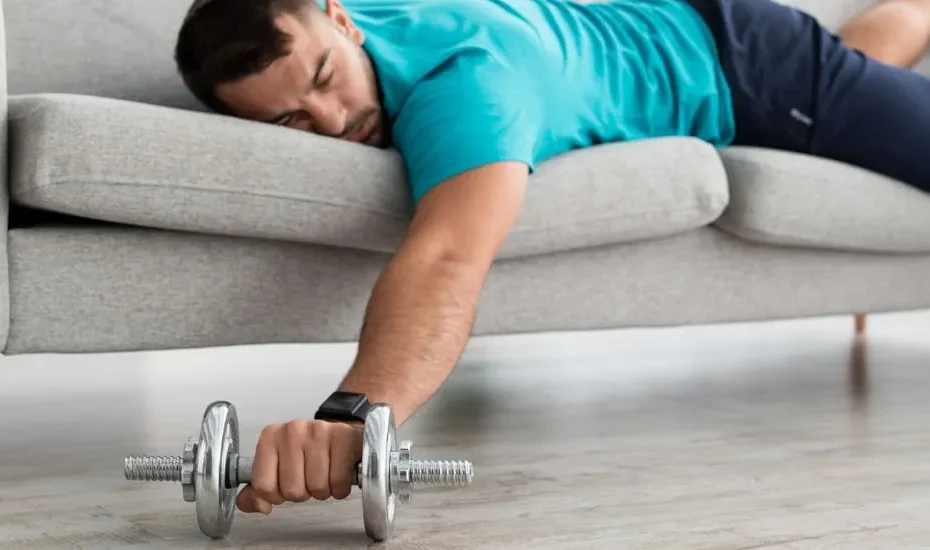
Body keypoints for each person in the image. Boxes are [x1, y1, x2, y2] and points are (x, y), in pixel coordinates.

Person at [173, 0, 930, 515]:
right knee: (870, 70)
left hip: (755, 66)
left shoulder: (467, 85)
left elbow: (446, 258)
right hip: (656, 22)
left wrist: (351, 416)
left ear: (341, 18)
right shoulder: (347, 26)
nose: (337, 122)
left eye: (325, 79)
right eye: (292, 120)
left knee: (864, 98)